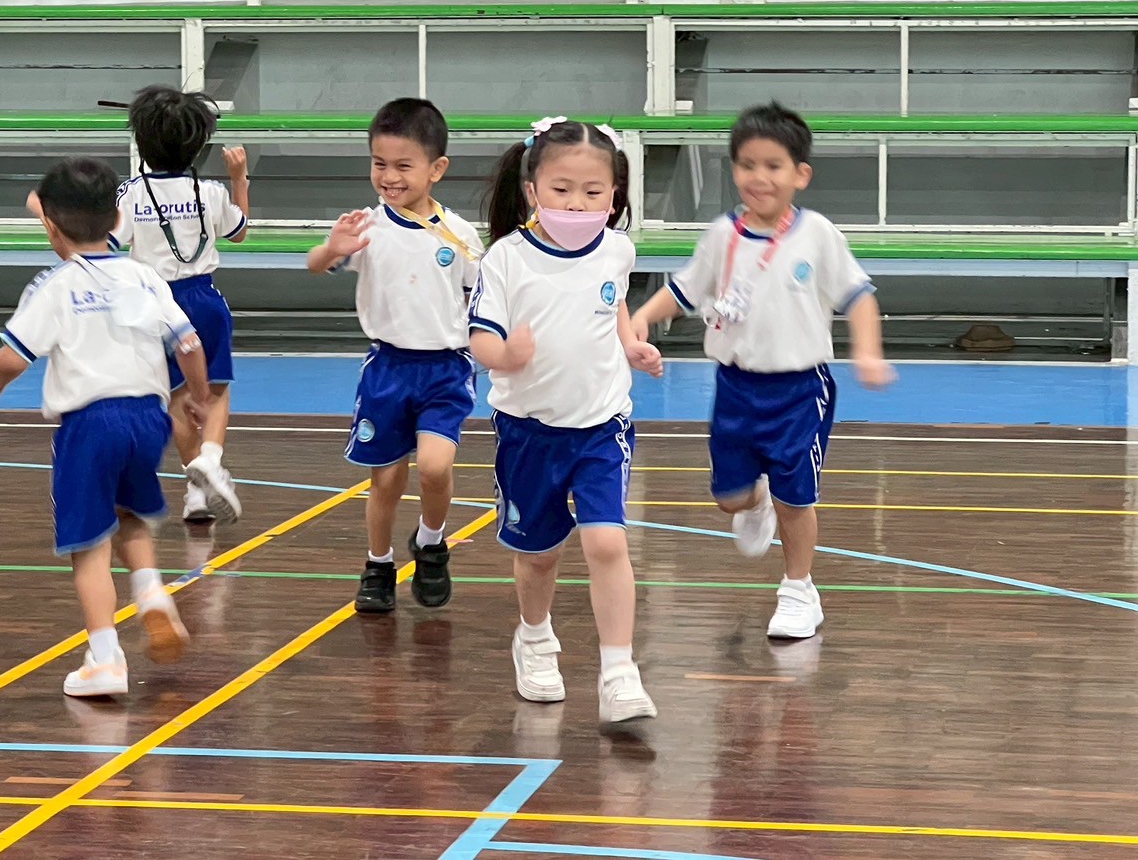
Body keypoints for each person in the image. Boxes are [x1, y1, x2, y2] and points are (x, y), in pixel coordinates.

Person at [631, 102, 894, 640]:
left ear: (801, 174)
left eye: (774, 165)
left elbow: (860, 297)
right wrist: (641, 317)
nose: (760, 177)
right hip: (735, 387)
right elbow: (683, 290)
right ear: (734, 170)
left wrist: (868, 352)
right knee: (729, 496)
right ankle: (754, 507)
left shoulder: (818, 235)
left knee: (796, 498)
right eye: (748, 164)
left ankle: (799, 590)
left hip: (799, 390)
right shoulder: (722, 235)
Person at [0, 157, 211, 697]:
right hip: (148, 419)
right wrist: (198, 398)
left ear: (51, 227)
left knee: (89, 546)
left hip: (89, 424)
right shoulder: (143, 275)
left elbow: (13, 358)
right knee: (129, 514)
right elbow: (189, 342)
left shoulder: (54, 286)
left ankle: (105, 659)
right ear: (117, 218)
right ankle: (151, 594)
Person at [469, 116, 663, 724]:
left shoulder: (618, 249)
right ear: (532, 189)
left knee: (607, 541)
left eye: (593, 191)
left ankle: (619, 672)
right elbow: (480, 338)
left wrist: (631, 344)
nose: (577, 203)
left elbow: (613, 302)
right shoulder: (506, 259)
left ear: (614, 196)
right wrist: (506, 355)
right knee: (540, 555)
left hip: (603, 424)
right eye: (561, 189)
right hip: (528, 431)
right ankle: (534, 638)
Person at [306, 98, 483, 614]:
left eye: (403, 165)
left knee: (434, 466)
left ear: (436, 169)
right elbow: (316, 263)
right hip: (387, 369)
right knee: (385, 479)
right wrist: (333, 248)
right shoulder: (364, 227)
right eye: (379, 163)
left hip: (446, 369)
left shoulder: (460, 236)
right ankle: (378, 563)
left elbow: (481, 302)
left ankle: (431, 542)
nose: (389, 176)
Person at [113, 85, 248, 525]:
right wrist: (239, 180)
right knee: (216, 389)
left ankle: (196, 491)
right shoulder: (210, 192)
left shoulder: (131, 193)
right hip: (204, 298)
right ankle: (210, 459)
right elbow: (240, 232)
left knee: (175, 395)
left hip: (152, 303)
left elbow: (110, 243)